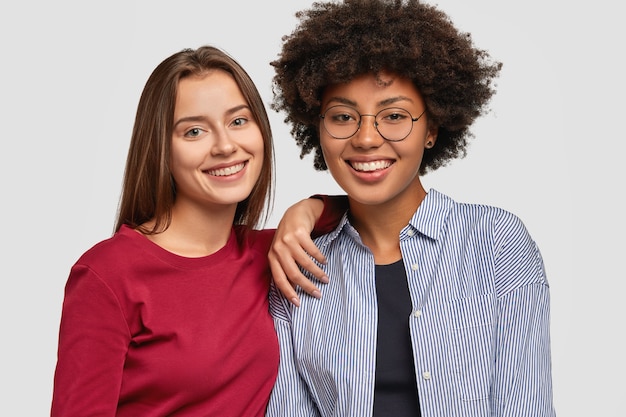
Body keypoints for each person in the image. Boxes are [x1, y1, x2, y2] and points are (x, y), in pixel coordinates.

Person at [266, 1, 556, 416]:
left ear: (432, 129)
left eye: (395, 115)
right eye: (344, 116)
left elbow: (527, 404)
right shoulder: (298, 262)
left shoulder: (497, 243)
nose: (366, 138)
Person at [50, 45, 341, 417]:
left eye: (238, 121)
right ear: (161, 149)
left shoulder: (268, 252)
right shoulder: (107, 274)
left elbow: (367, 206)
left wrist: (305, 210)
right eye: (194, 131)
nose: (225, 146)